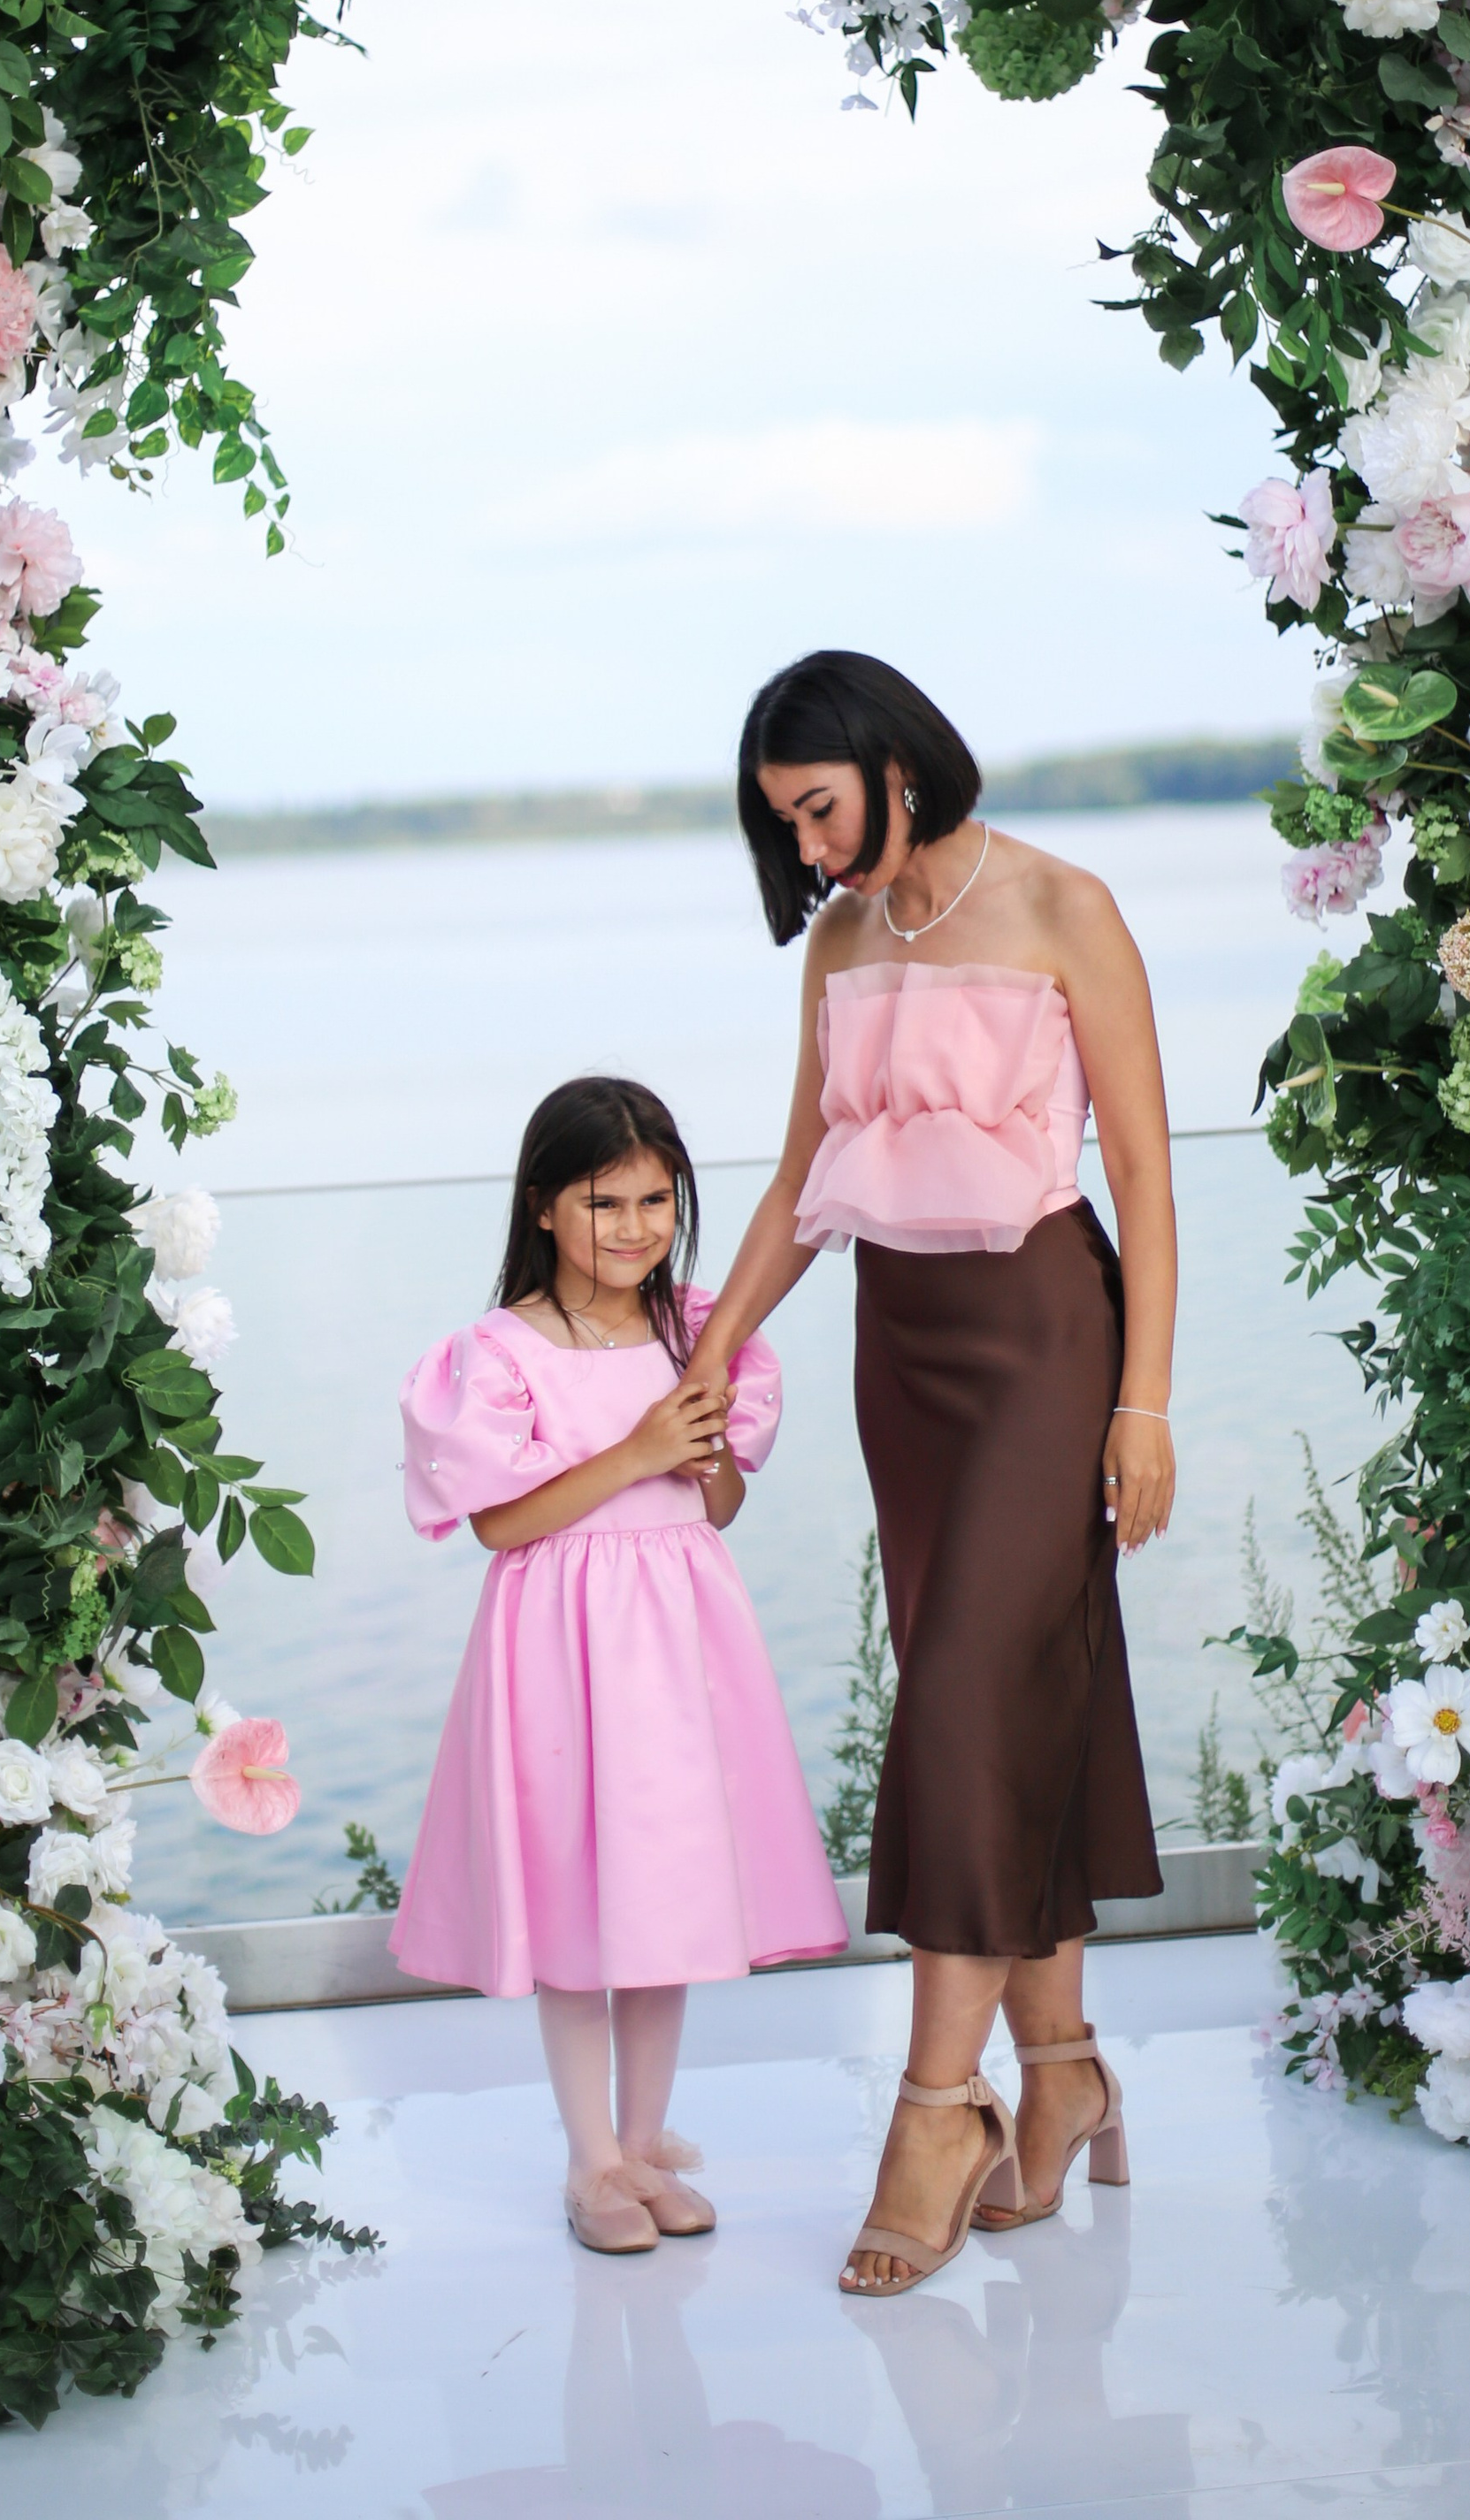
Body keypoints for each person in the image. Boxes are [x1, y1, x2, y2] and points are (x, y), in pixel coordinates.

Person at [674, 651, 1176, 2299]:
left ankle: (936, 2109)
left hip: (1046, 1337)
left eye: (818, 810)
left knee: (959, 1700)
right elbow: (804, 1182)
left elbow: (1150, 1187)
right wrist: (713, 1352)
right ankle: (1071, 2067)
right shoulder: (837, 940)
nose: (811, 852)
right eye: (785, 829)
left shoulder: (1063, 907)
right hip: (905, 1352)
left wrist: (1145, 1405)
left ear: (893, 762)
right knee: (1012, 1705)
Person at [388, 1073, 846, 2254]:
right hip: (559, 1633)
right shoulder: (497, 1354)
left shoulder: (695, 1327)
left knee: (666, 1885)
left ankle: (648, 2143)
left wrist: (698, 1456)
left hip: (677, 1629)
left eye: (655, 1200)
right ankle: (590, 2160)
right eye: (606, 1203)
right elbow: (500, 1524)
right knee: (571, 1884)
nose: (636, 1228)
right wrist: (640, 1445)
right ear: (543, 1206)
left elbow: (725, 1500)